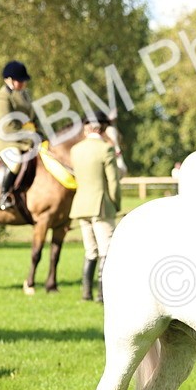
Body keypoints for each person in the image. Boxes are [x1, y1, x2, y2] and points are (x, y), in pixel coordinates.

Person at [69, 112, 122, 302]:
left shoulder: (75, 150)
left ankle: (86, 293)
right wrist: (115, 203)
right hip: (101, 205)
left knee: (90, 250)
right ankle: (102, 294)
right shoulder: (106, 149)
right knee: (106, 250)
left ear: (87, 128)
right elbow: (113, 182)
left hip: (81, 205)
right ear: (101, 128)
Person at [0, 60, 37, 211]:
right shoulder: (1, 98)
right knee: (16, 160)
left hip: (26, 138)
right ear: (8, 80)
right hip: (7, 141)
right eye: (20, 80)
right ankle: (3, 195)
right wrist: (29, 139)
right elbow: (7, 126)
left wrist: (41, 134)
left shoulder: (24, 95)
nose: (23, 83)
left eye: (24, 80)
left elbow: (33, 117)